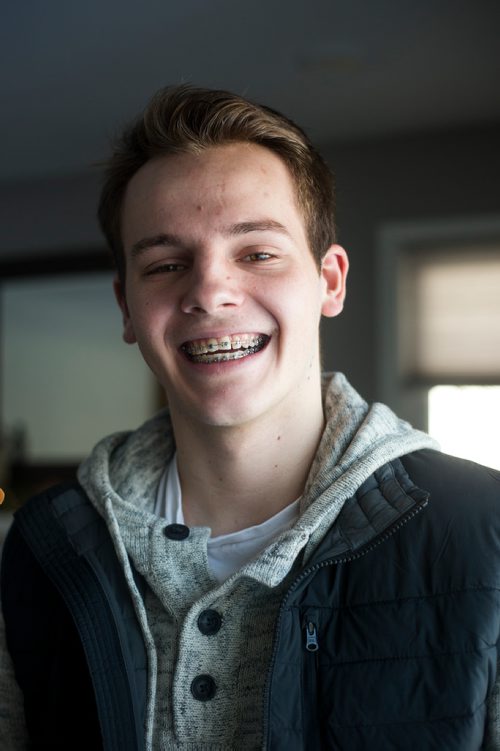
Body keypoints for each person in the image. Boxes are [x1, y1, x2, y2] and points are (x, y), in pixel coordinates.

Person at [1, 84, 499, 751]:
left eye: (257, 252)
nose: (208, 291)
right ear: (126, 306)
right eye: (167, 263)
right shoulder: (46, 545)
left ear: (330, 280)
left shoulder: (485, 531)